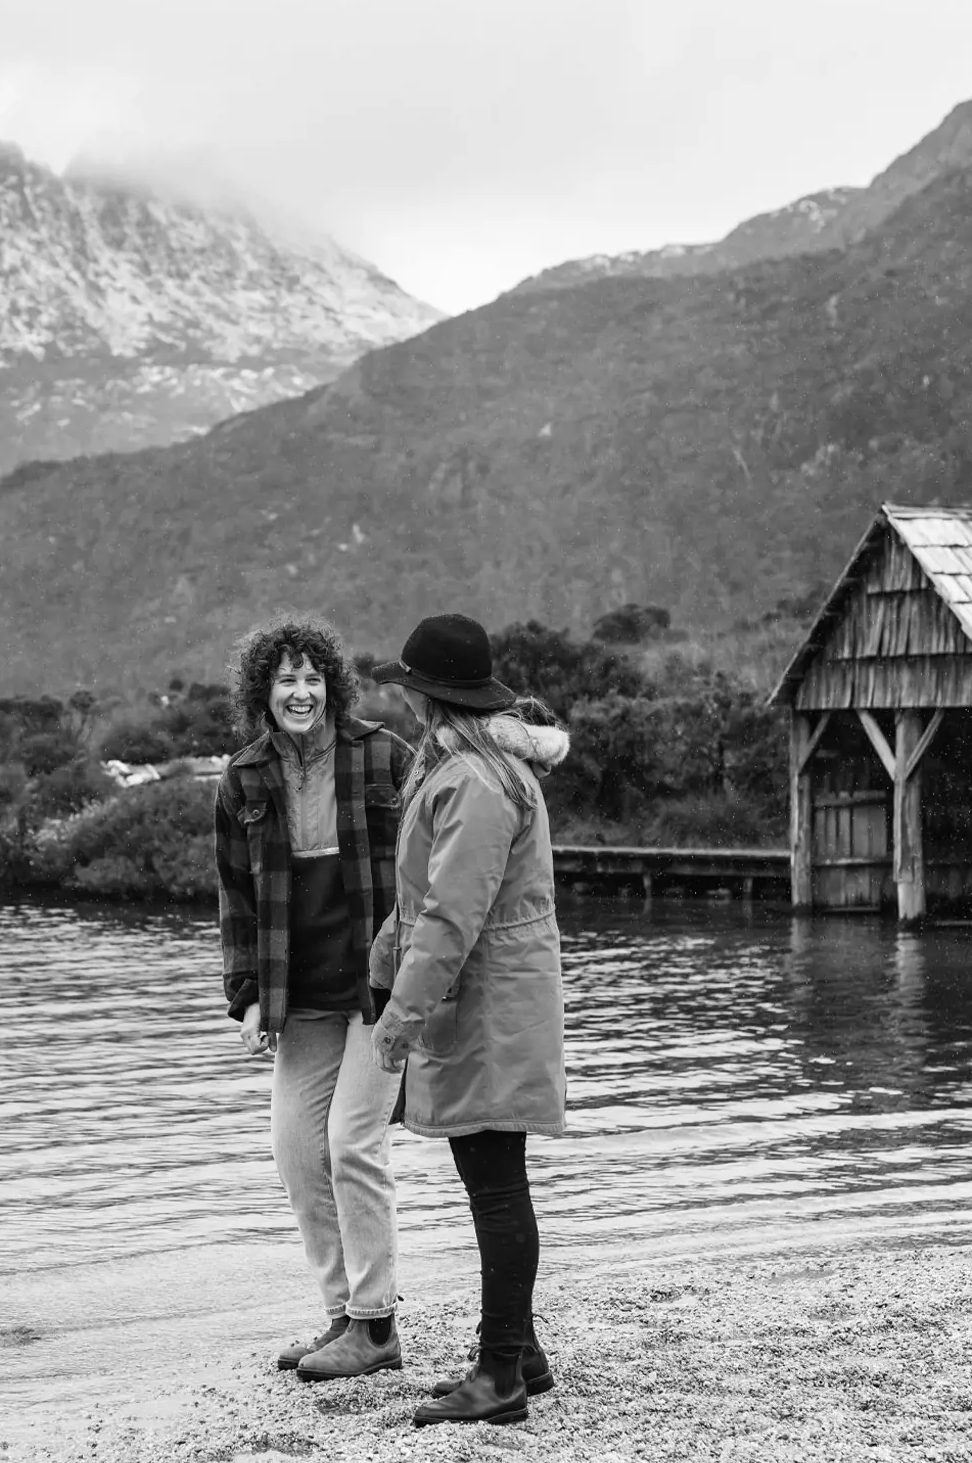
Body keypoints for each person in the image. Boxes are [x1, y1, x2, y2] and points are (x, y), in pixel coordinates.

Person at [367, 612, 570, 1428]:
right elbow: (423, 904)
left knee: (494, 1184)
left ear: (428, 697)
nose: (408, 703)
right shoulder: (466, 768)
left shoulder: (474, 783)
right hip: (493, 998)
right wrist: (385, 968)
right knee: (493, 1177)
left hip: (492, 1005)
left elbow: (451, 917)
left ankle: (500, 1377)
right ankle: (518, 1354)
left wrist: (398, 1022)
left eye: (411, 689)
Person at [214, 613, 415, 1381]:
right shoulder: (243, 778)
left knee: (352, 1143)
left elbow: (424, 871)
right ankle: (341, 1316)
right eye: (284, 680)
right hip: (301, 996)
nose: (300, 692)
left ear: (332, 683)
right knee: (298, 1152)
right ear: (261, 693)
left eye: (311, 677)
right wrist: (251, 997)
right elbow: (236, 902)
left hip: (382, 987)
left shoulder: (384, 757)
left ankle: (375, 1325)